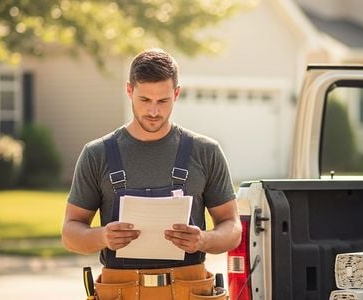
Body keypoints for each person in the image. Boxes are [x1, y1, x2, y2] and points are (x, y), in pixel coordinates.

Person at [62, 48, 241, 300]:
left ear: (176, 94)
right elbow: (70, 233)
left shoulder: (205, 151)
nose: (154, 112)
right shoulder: (97, 154)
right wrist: (102, 236)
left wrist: (203, 240)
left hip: (188, 289)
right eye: (145, 100)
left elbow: (232, 227)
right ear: (129, 91)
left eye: (163, 101)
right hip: (121, 290)